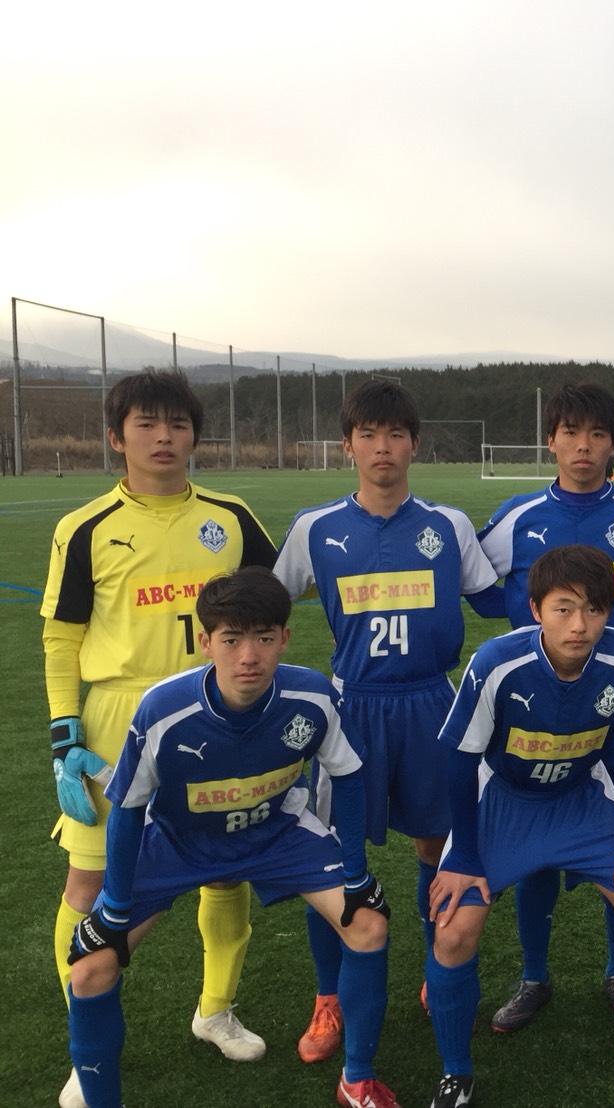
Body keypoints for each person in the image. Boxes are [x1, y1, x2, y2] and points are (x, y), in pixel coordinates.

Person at [64, 567, 397, 1108]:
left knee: (368, 923)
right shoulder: (163, 708)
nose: (249, 656)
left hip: (277, 832)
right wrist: (116, 907)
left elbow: (349, 775)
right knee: (92, 965)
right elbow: (127, 808)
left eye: (264, 639)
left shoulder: (312, 695)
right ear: (205, 642)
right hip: (179, 841)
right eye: (231, 639)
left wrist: (356, 873)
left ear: (285, 638)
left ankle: (357, 1079)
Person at [42, 369, 278, 1108]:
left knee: (226, 873)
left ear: (195, 435)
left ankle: (216, 1010)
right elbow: (62, 637)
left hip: (217, 713)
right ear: (117, 437)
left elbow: (272, 604)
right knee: (89, 884)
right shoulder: (84, 527)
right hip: (119, 717)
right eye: (146, 424)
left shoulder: (231, 518)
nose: (164, 437)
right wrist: (64, 735)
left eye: (177, 424)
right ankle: (87, 1044)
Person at [274, 378, 503, 1062]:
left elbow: (495, 602)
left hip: (432, 703)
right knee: (332, 858)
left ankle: (440, 970)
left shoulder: (448, 526)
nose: (383, 447)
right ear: (347, 446)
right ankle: (329, 998)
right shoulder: (315, 529)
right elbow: (266, 604)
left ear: (415, 444)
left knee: (438, 846)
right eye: (368, 435)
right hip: (352, 710)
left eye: (395, 434)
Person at [424, 545, 614, 1108]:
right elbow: (460, 757)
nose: (579, 625)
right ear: (536, 608)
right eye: (564, 608)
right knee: (453, 930)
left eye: (593, 609)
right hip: (504, 801)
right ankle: (455, 1072)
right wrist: (463, 854)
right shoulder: (496, 661)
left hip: (581, 797)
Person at [477, 381, 614, 1030]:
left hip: (610, 706)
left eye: (598, 434)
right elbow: (478, 586)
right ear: (551, 440)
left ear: (613, 445)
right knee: (536, 847)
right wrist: (522, 626)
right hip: (535, 707)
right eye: (571, 432)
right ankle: (534, 977)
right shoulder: (519, 516)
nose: (583, 446)